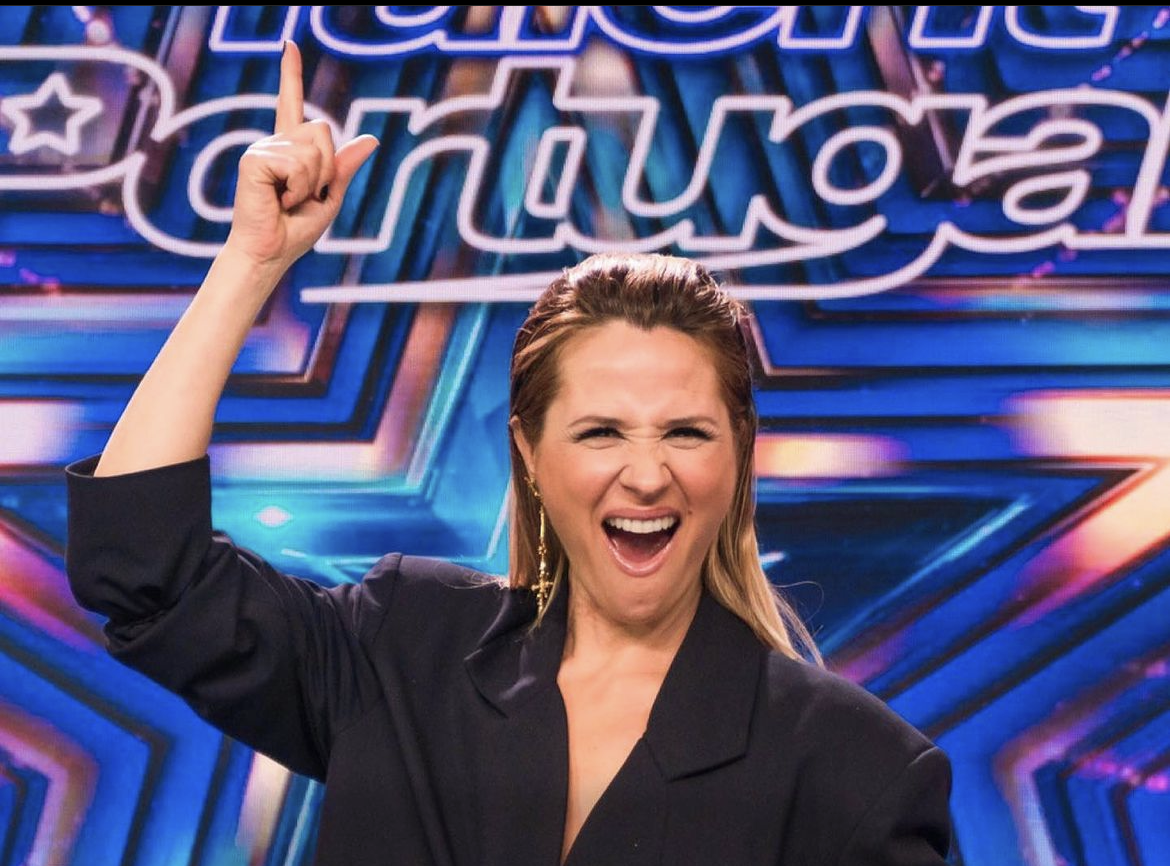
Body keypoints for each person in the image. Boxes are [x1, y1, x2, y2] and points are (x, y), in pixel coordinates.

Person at [64, 42, 953, 866]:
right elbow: (142, 566)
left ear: (739, 455)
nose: (648, 475)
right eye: (601, 432)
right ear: (529, 451)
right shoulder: (403, 647)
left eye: (686, 432)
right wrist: (250, 264)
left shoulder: (858, 770)